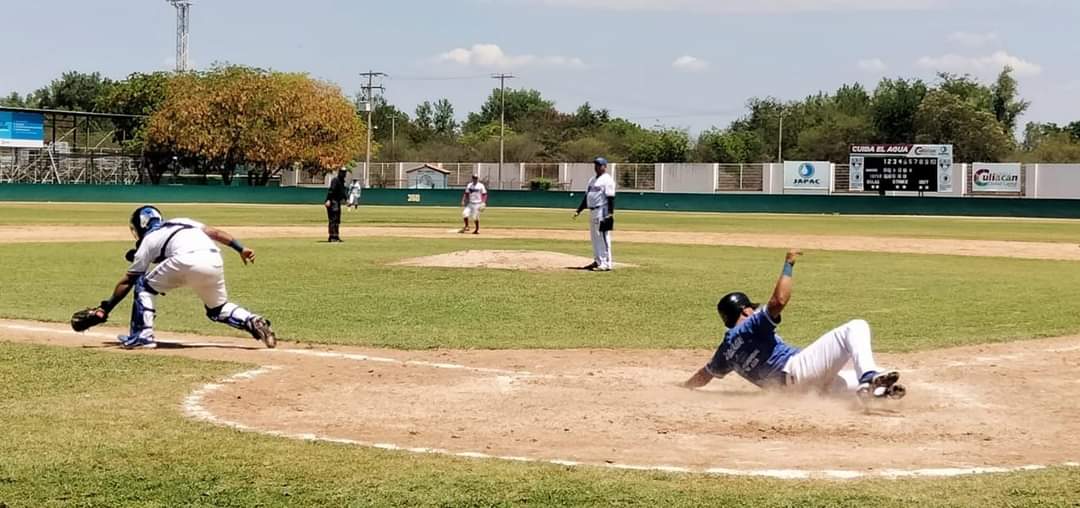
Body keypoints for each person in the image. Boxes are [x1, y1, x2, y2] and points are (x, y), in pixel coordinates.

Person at [681, 249, 906, 401]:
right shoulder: (750, 326)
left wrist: (682, 389)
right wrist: (788, 264)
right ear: (745, 310)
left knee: (851, 382)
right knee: (855, 327)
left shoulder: (726, 350)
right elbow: (778, 301)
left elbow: (704, 376)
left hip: (797, 393)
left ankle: (874, 392)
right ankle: (869, 376)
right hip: (798, 371)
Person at [96, 205, 276, 349]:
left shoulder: (148, 240)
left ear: (140, 226)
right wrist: (240, 248)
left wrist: (105, 308)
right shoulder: (182, 221)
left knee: (143, 284)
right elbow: (215, 233)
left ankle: (142, 336)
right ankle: (252, 321)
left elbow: (128, 280)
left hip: (185, 260)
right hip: (213, 258)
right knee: (218, 308)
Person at [573, 157, 615, 271]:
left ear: (605, 167)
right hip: (592, 211)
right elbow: (587, 197)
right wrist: (579, 210)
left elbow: (611, 198)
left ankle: (606, 263)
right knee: (595, 237)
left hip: (602, 210)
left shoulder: (607, 180)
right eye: (596, 165)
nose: (597, 167)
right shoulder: (592, 180)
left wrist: (610, 214)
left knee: (603, 237)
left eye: (599, 165)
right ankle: (598, 261)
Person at [324, 168, 348, 242]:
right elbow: (331, 190)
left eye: (345, 172)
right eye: (342, 172)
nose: (344, 174)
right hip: (332, 202)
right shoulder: (335, 180)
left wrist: (346, 199)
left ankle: (336, 236)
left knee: (337, 220)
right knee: (333, 220)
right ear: (339, 173)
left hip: (337, 202)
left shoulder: (341, 182)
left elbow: (342, 192)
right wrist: (328, 200)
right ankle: (332, 237)